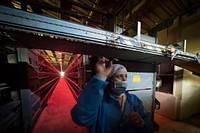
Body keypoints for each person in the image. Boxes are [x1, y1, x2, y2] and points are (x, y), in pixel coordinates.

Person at [71, 57, 154, 133]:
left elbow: (149, 128)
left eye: (126, 76)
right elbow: (81, 118)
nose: (124, 80)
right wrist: (100, 77)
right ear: (110, 80)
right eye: (119, 76)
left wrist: (143, 125)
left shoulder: (134, 100)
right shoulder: (99, 101)